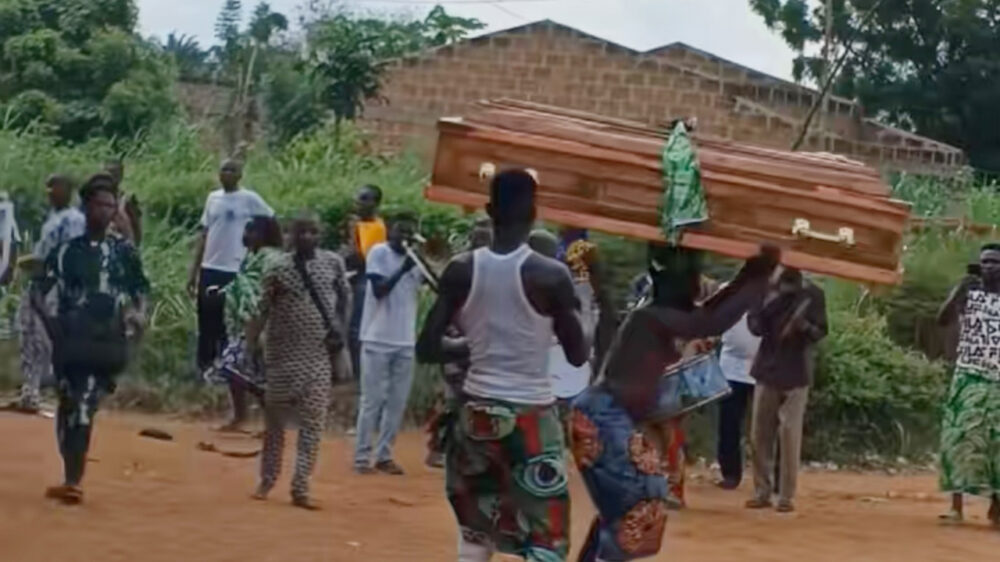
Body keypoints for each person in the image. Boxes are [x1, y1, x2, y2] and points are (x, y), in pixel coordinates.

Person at [417, 169, 587, 562]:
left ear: (489, 209)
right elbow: (578, 355)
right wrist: (592, 315)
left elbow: (427, 348)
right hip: (531, 415)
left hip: (475, 413)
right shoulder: (551, 275)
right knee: (546, 531)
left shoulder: (461, 270)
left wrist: (472, 348)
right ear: (534, 213)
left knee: (476, 525)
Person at [571, 243, 778, 562]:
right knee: (640, 508)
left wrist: (753, 273)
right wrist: (758, 273)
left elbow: (710, 315)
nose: (697, 284)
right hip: (603, 418)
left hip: (605, 417)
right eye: (692, 276)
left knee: (627, 508)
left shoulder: (658, 315)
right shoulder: (653, 317)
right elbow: (711, 321)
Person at [37, 173, 149, 505]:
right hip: (72, 339)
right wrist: (52, 325)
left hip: (107, 340)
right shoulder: (66, 252)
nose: (106, 211)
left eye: (111, 206)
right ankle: (71, 471)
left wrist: (138, 315)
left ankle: (74, 480)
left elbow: (140, 290)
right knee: (70, 403)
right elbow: (38, 291)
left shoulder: (123, 252)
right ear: (86, 207)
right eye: (100, 205)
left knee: (84, 403)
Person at [252, 212, 351, 510]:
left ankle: (301, 486)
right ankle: (268, 479)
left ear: (321, 235)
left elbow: (345, 298)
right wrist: (249, 346)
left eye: (313, 231)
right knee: (275, 425)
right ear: (290, 236)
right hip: (281, 356)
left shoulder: (333, 263)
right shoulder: (277, 267)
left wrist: (340, 329)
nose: (308, 237)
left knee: (313, 424)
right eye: (301, 232)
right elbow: (261, 309)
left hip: (318, 356)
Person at [745, 267, 827, 514]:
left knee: (790, 436)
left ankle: (786, 497)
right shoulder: (764, 290)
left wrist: (803, 326)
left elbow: (821, 332)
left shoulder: (813, 294)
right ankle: (762, 492)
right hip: (768, 370)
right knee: (759, 436)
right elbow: (754, 327)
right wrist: (769, 302)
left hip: (797, 373)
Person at [353, 212, 425, 475]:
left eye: (410, 232)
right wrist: (404, 268)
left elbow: (435, 284)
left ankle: (384, 455)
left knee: (397, 401)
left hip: (405, 340)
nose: (405, 237)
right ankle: (362, 457)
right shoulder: (379, 253)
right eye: (400, 231)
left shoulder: (415, 260)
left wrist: (422, 261)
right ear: (391, 231)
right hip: (377, 338)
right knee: (372, 400)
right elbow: (379, 289)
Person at [188, 159, 274, 376]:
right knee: (207, 318)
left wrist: (257, 254)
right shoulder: (213, 198)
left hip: (235, 270)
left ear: (240, 174)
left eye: (232, 170)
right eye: (224, 169)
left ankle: (232, 367)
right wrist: (193, 271)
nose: (227, 173)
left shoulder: (250, 199)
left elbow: (271, 222)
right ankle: (205, 367)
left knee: (233, 321)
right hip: (210, 267)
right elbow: (204, 234)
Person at [937, 245, 1000, 525]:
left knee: (996, 445)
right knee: (959, 439)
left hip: (998, 379)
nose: (988, 267)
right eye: (985, 262)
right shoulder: (968, 292)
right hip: (968, 375)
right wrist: (958, 291)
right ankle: (956, 507)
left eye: (995, 262)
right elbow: (942, 319)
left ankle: (996, 506)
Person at [13, 175, 86, 413]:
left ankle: (49, 391)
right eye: (48, 189)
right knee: (28, 332)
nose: (50, 193)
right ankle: (30, 391)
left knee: (44, 338)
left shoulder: (73, 220)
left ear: (67, 190)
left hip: (56, 284)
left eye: (55, 188)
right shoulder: (53, 218)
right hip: (41, 282)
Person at [203, 216, 284, 431]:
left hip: (260, 323)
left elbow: (271, 289)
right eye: (246, 230)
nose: (246, 235)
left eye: (252, 231)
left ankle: (267, 420)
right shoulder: (251, 257)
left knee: (236, 368)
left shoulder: (271, 258)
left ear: (265, 235)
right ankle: (243, 417)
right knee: (248, 372)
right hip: (242, 323)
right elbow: (245, 285)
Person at [425, 217, 492, 469]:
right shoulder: (460, 266)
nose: (481, 241)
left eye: (486, 237)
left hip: (484, 342)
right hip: (456, 340)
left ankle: (471, 451)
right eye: (478, 236)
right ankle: (439, 447)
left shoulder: (500, 267)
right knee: (452, 399)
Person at [716, 311, 761, 490]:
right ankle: (730, 473)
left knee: (765, 426)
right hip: (731, 368)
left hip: (763, 367)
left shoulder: (768, 297)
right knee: (729, 424)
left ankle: (767, 476)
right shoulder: (728, 297)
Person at [346, 184, 387, 376]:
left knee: (357, 328)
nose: (357, 202)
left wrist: (352, 234)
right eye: (358, 198)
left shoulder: (377, 227)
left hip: (367, 279)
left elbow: (363, 258)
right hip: (355, 277)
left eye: (363, 199)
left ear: (375, 203)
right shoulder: (359, 224)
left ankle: (361, 373)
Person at [104, 159, 142, 246]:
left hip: (122, 245)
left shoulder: (127, 199)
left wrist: (134, 245)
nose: (111, 178)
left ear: (121, 176)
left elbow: (137, 225)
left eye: (115, 175)